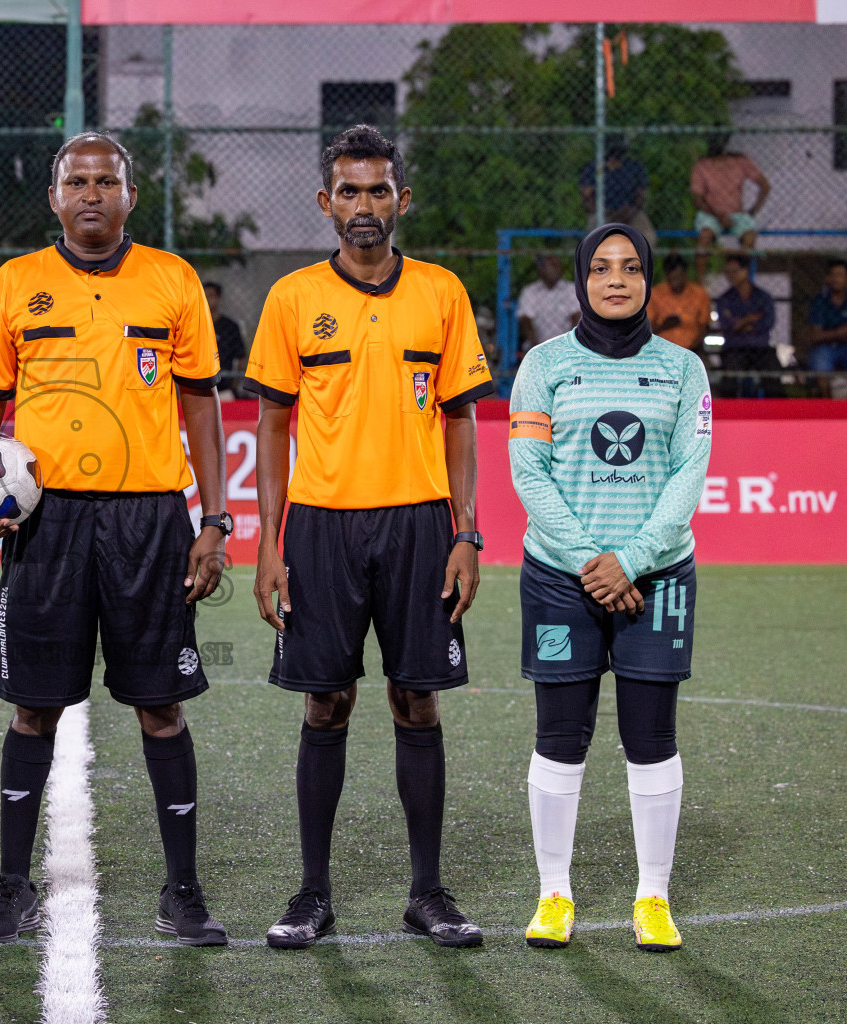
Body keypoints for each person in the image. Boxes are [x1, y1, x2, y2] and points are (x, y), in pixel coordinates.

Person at [0, 131, 230, 947]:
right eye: (78, 180)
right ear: (55, 196)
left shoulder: (172, 281)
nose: (93, 193)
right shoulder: (15, 285)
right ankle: (10, 887)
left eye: (108, 180)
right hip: (46, 523)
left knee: (161, 709)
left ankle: (183, 891)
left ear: (130, 196)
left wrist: (212, 519)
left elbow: (202, 407)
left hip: (149, 520)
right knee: (33, 710)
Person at [245, 124, 493, 951]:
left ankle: (427, 892)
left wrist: (468, 533)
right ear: (325, 203)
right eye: (348, 192)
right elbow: (271, 423)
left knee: (416, 699)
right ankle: (313, 892)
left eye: (378, 190)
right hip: (320, 526)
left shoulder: (443, 294)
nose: (364, 206)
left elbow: (461, 421)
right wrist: (269, 542)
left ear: (401, 199)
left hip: (423, 524)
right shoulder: (290, 299)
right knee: (327, 701)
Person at [508, 223, 711, 953]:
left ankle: (652, 899)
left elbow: (689, 476)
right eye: (600, 268)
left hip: (657, 578)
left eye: (629, 268)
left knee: (650, 738)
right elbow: (529, 473)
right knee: (560, 737)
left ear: (649, 279)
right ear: (582, 279)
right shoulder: (544, 364)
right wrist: (595, 559)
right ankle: (553, 894)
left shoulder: (685, 370)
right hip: (562, 579)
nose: (615, 279)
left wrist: (631, 559)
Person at [691, 137, 769, 278]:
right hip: (710, 213)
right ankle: (701, 285)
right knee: (705, 236)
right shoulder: (702, 165)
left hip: (736, 213)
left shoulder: (740, 161)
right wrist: (719, 216)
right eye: (713, 140)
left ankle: (742, 279)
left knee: (750, 237)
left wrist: (753, 211)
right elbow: (698, 200)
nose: (716, 145)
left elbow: (765, 186)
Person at [714, 254, 782, 398]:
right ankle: (729, 416)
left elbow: (768, 322)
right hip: (735, 349)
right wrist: (750, 319)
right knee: (729, 379)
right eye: (728, 271)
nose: (730, 275)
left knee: (773, 372)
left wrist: (740, 323)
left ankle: (774, 416)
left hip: (760, 348)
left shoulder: (763, 297)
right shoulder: (724, 299)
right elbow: (727, 325)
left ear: (745, 271)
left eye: (735, 270)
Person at [579, 140, 655, 248]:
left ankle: (639, 262)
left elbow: (641, 196)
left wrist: (631, 212)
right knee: (593, 239)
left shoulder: (634, 167)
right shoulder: (594, 168)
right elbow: (587, 198)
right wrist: (603, 212)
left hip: (630, 213)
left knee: (648, 236)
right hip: (603, 213)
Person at [646, 253, 711, 353]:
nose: (674, 282)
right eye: (671, 278)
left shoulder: (699, 294)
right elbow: (647, 330)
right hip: (662, 352)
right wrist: (664, 326)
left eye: (678, 277)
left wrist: (691, 350)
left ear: (685, 274)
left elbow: (704, 326)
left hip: (692, 350)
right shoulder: (655, 294)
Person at [516, 254, 580, 355]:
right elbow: (525, 319)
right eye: (552, 265)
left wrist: (571, 345)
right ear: (540, 269)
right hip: (537, 346)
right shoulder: (530, 291)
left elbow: (577, 316)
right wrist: (536, 346)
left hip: (566, 346)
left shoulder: (571, 290)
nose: (556, 269)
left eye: (557, 265)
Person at [806, 259, 847, 387]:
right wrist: (839, 333)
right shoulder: (820, 302)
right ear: (827, 278)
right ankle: (826, 404)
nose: (836, 279)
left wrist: (827, 334)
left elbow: (821, 334)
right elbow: (815, 336)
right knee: (820, 359)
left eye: (840, 275)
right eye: (832, 275)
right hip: (825, 348)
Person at [203, 280, 246, 397]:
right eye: (204, 296)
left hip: (224, 387)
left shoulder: (230, 326)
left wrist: (234, 384)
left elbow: (240, 358)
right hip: (199, 385)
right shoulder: (195, 325)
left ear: (218, 298)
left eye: (211, 296)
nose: (207, 299)